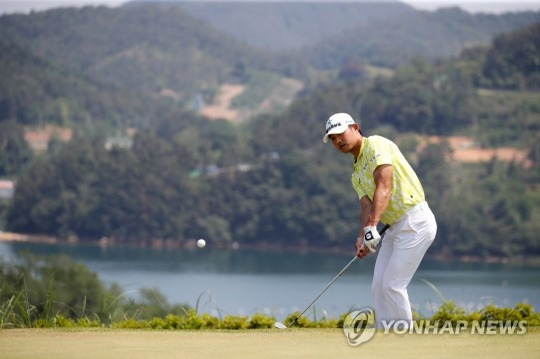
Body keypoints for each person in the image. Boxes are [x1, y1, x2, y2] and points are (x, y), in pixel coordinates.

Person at [322, 112, 437, 328]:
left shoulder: (376, 144)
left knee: (392, 285)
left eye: (340, 134)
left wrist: (372, 227)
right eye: (332, 139)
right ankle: (385, 338)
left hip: (415, 221)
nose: (337, 141)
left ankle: (404, 340)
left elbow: (385, 186)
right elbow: (366, 205)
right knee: (379, 286)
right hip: (395, 227)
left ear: (355, 127)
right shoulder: (355, 172)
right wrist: (362, 238)